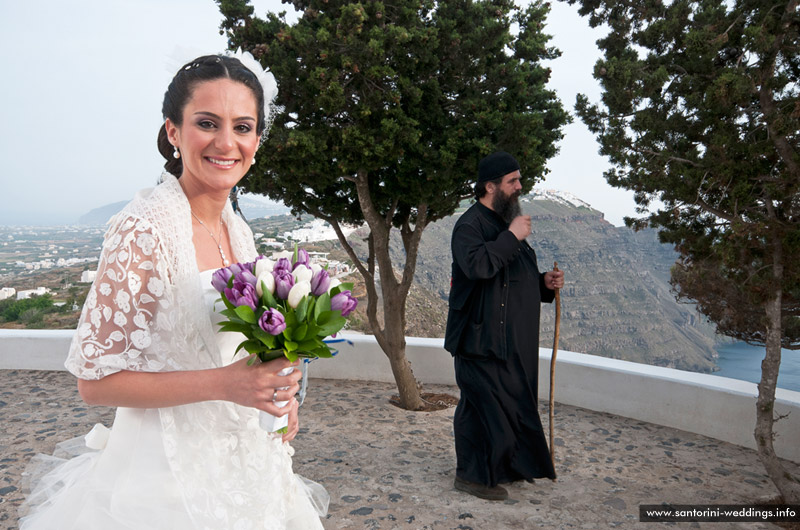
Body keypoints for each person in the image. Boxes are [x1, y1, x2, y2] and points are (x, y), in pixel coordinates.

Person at [19, 51, 328, 529]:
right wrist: (229, 384)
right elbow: (93, 383)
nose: (227, 142)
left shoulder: (236, 228)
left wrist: (275, 401)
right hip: (163, 481)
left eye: (243, 127)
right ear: (173, 132)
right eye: (208, 122)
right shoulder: (142, 229)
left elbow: (236, 348)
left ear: (257, 140)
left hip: (246, 466)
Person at [444, 151, 565, 501]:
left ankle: (503, 468)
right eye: (512, 181)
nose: (519, 186)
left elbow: (513, 276)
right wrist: (512, 235)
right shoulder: (469, 226)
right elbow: (478, 267)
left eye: (519, 179)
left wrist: (544, 282)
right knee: (481, 410)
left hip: (510, 341)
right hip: (479, 339)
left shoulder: (504, 224)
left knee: (508, 408)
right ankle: (472, 477)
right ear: (490, 186)